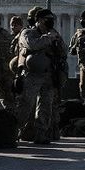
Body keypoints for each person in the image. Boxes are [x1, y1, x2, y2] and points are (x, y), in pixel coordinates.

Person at [17, 8, 64, 144]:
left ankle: (41, 133)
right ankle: (15, 131)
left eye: (51, 19)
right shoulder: (28, 33)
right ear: (39, 20)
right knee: (26, 104)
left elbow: (63, 50)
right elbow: (33, 44)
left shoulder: (54, 34)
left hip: (49, 74)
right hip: (32, 75)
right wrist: (49, 38)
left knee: (46, 105)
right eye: (46, 19)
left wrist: (57, 41)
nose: (50, 22)